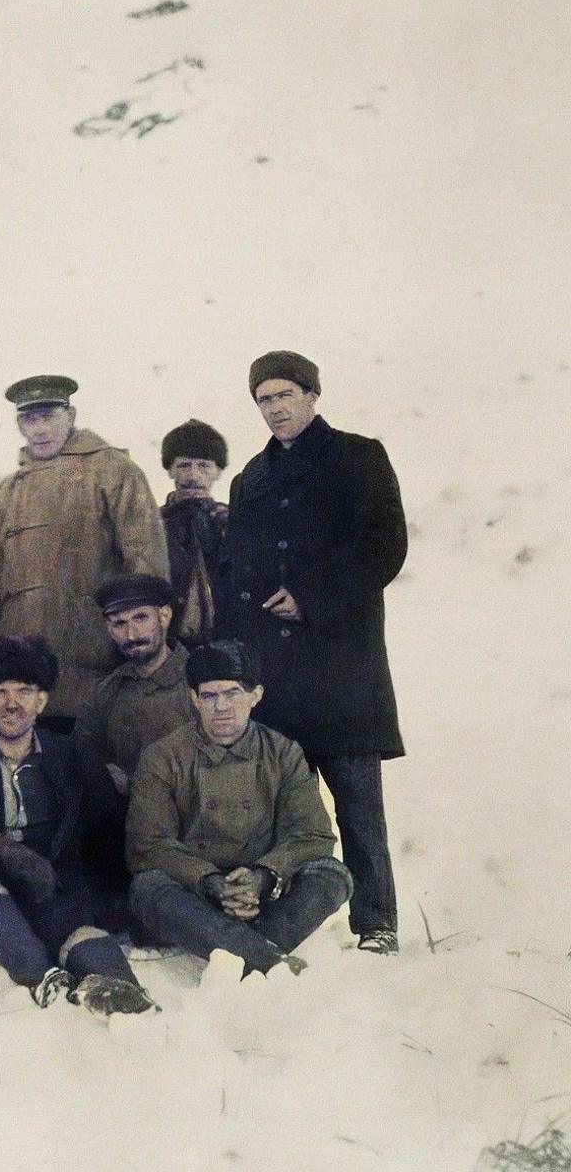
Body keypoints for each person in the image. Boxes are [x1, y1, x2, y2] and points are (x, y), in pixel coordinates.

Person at [215, 351, 408, 954]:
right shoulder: (250, 477)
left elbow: (386, 547)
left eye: (284, 395)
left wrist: (311, 599)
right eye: (264, 400)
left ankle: (376, 923)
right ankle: (276, 921)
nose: (275, 409)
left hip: (343, 668)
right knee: (276, 810)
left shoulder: (358, 456)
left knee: (356, 802)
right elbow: (237, 568)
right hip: (275, 677)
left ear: (312, 395)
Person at [0, 635, 153, 1015]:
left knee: (73, 919)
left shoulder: (73, 755)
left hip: (52, 881)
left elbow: (105, 829)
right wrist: (3, 849)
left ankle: (122, 991)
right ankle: (41, 975)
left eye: (24, 691)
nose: (11, 703)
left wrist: (103, 895)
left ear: (41, 701)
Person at [126, 640, 353, 976]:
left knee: (333, 876)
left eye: (232, 693)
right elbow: (148, 845)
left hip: (266, 895)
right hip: (196, 898)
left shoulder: (283, 753)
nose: (222, 706)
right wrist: (211, 883)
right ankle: (267, 959)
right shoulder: (164, 756)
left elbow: (313, 835)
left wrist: (262, 877)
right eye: (210, 696)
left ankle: (243, 951)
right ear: (193, 699)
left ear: (255, 696)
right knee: (147, 889)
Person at [0, 375, 169, 726]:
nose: (39, 429)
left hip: (102, 670)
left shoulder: (113, 472)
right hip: (28, 681)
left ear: (71, 415)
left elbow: (147, 568)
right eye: (29, 420)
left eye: (48, 416)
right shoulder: (3, 497)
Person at [75, 574, 195, 799]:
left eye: (141, 618)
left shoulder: (199, 681)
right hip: (126, 818)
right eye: (119, 623)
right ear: (109, 629)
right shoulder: (105, 691)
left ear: (164, 616)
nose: (131, 634)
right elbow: (83, 754)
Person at [159, 418, 230, 644]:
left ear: (218, 471)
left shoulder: (233, 522)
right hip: (167, 641)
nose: (192, 476)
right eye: (183, 465)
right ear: (170, 470)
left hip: (225, 638)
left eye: (203, 466)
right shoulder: (151, 524)